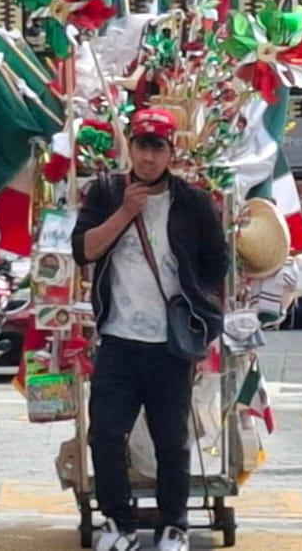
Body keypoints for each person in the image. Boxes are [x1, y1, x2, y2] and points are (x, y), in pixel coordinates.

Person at [72, 108, 229, 551]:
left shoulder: (193, 202)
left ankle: (173, 525)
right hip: (118, 339)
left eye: (157, 148)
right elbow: (83, 250)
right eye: (142, 146)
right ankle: (118, 522)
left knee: (171, 440)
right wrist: (125, 212)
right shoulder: (106, 192)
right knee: (105, 434)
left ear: (170, 152)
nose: (148, 157)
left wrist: (198, 312)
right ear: (131, 146)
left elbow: (216, 264)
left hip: (170, 344)